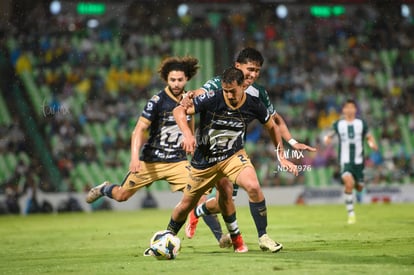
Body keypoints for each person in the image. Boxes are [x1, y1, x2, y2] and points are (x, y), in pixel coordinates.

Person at [85, 56, 231, 247]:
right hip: (151, 162)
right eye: (172, 80)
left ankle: (221, 238)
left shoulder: (191, 100)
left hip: (177, 162)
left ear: (186, 79)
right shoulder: (157, 101)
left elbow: (190, 127)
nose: (176, 84)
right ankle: (104, 188)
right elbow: (138, 130)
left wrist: (191, 147)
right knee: (121, 196)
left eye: (180, 80)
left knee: (199, 196)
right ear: (166, 80)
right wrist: (134, 158)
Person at [184, 47, 316, 253]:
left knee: (227, 201)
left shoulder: (258, 93)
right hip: (208, 152)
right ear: (237, 66)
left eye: (257, 71)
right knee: (225, 201)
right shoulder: (221, 83)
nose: (253, 74)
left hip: (233, 154)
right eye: (250, 69)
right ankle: (202, 215)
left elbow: (275, 120)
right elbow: (200, 95)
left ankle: (202, 213)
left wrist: (291, 140)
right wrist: (191, 100)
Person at [158, 67, 298, 254]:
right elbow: (178, 111)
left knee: (254, 187)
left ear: (242, 86)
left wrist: (281, 156)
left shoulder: (254, 104)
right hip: (205, 160)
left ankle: (263, 237)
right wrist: (188, 135)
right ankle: (166, 236)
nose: (229, 95)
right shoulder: (213, 98)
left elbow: (272, 127)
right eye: (226, 90)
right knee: (186, 204)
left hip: (233, 156)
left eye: (233, 90)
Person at [324, 99, 378, 224]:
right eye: (347, 107)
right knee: (349, 183)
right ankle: (351, 214)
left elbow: (369, 137)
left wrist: (371, 144)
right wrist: (327, 139)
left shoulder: (361, 123)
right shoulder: (339, 124)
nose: (349, 109)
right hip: (345, 161)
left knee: (359, 187)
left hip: (359, 162)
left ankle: (358, 184)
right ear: (343, 110)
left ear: (355, 109)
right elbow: (329, 135)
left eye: (352, 107)